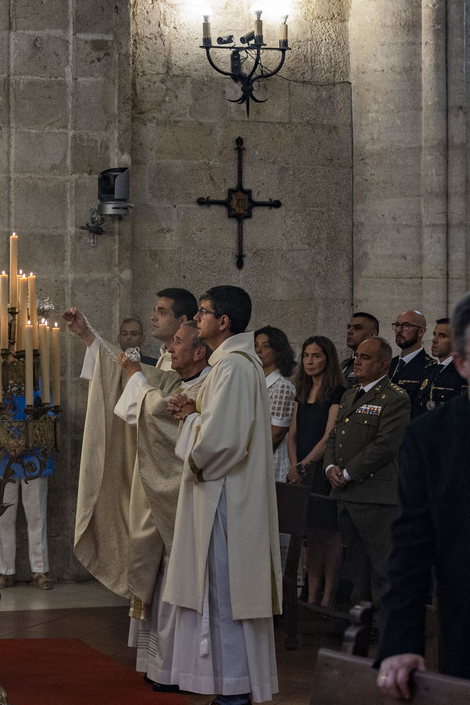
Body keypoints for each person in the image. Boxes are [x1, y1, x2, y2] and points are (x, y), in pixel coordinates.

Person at [165, 285, 280, 704]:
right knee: (221, 594)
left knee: (225, 594)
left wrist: (194, 423)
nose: (196, 319)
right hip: (222, 495)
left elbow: (224, 443)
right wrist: (195, 414)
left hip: (225, 499)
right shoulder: (230, 366)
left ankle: (233, 690)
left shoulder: (232, 368)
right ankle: (229, 686)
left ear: (224, 322)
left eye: (203, 312)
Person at [377, 291, 470, 697]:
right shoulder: (431, 436)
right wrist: (400, 641)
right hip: (469, 625)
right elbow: (412, 544)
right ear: (463, 363)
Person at [114, 320, 211, 691]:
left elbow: (158, 414)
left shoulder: (207, 385)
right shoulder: (182, 383)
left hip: (186, 503)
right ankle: (158, 665)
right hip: (167, 501)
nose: (169, 348)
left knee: (175, 582)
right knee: (159, 579)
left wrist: (137, 378)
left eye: (178, 342)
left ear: (200, 351)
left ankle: (173, 669)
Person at [323, 336, 409, 610]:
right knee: (356, 567)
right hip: (346, 494)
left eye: (365, 357)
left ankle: (386, 629)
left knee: (382, 566)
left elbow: (385, 445)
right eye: (357, 355)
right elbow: (335, 436)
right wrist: (330, 467)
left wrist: (347, 472)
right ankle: (361, 623)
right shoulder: (350, 394)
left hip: (375, 496)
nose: (356, 361)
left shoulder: (395, 398)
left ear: (384, 364)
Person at [284, 336, 346, 608]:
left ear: (328, 359)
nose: (309, 361)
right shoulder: (301, 390)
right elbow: (293, 434)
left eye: (316, 356)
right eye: (306, 356)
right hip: (301, 469)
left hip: (323, 468)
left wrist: (304, 465)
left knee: (328, 536)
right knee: (309, 535)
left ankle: (329, 598)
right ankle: (310, 596)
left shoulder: (337, 392)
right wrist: (293, 465)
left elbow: (329, 436)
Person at [0, 389, 55, 591]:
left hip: (35, 459)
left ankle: (39, 569)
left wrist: (28, 439)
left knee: (37, 517)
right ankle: (5, 570)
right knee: (4, 517)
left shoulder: (37, 383)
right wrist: (5, 441)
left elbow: (51, 414)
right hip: (5, 462)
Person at [254, 326, 296, 482]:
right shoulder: (254, 382)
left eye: (265, 346)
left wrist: (254, 460)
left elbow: (277, 433)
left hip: (270, 459)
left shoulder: (281, 386)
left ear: (277, 351)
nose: (259, 351)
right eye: (256, 346)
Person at [413, 317, 467, 413]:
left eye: (442, 336)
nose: (434, 340)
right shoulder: (428, 369)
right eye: (434, 334)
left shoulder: (463, 373)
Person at [389, 310, 435, 416]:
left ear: (421, 332)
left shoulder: (429, 368)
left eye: (406, 325)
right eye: (397, 325)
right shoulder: (390, 364)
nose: (399, 330)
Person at [342, 312, 380, 383]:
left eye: (357, 328)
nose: (349, 331)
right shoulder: (344, 364)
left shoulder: (376, 365)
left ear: (372, 335)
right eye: (349, 327)